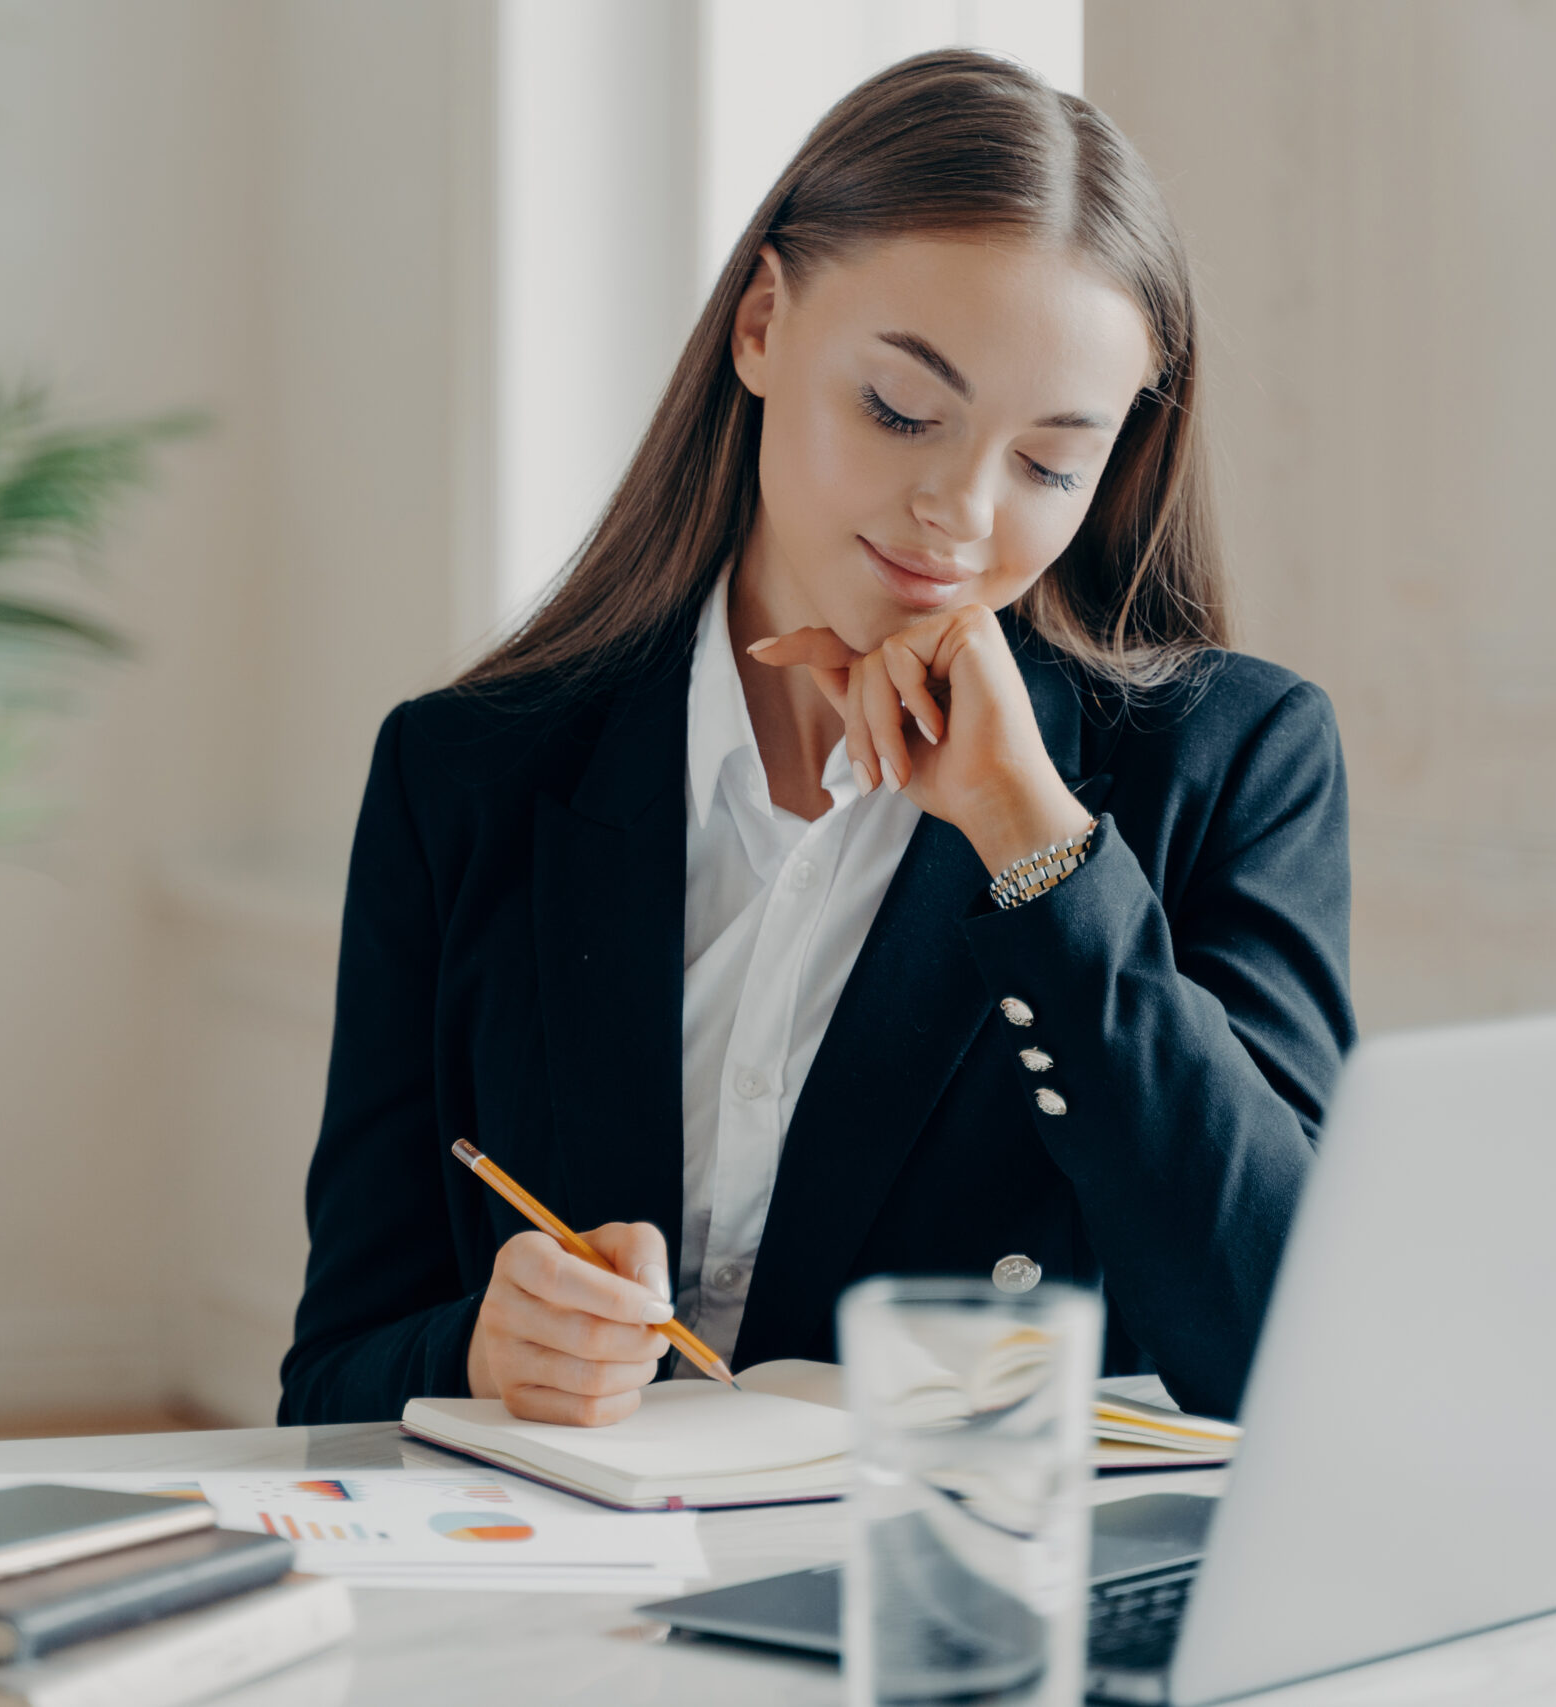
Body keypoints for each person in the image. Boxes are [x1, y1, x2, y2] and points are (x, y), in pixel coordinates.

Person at [277, 50, 1353, 1430]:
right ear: (764, 323)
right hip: (569, 1601)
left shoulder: (1227, 760)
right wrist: (481, 1355)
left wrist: (1042, 852)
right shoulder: (469, 773)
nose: (959, 514)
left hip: (961, 1598)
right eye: (903, 411)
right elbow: (328, 1382)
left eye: (1048, 465)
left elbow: (1290, 1351)